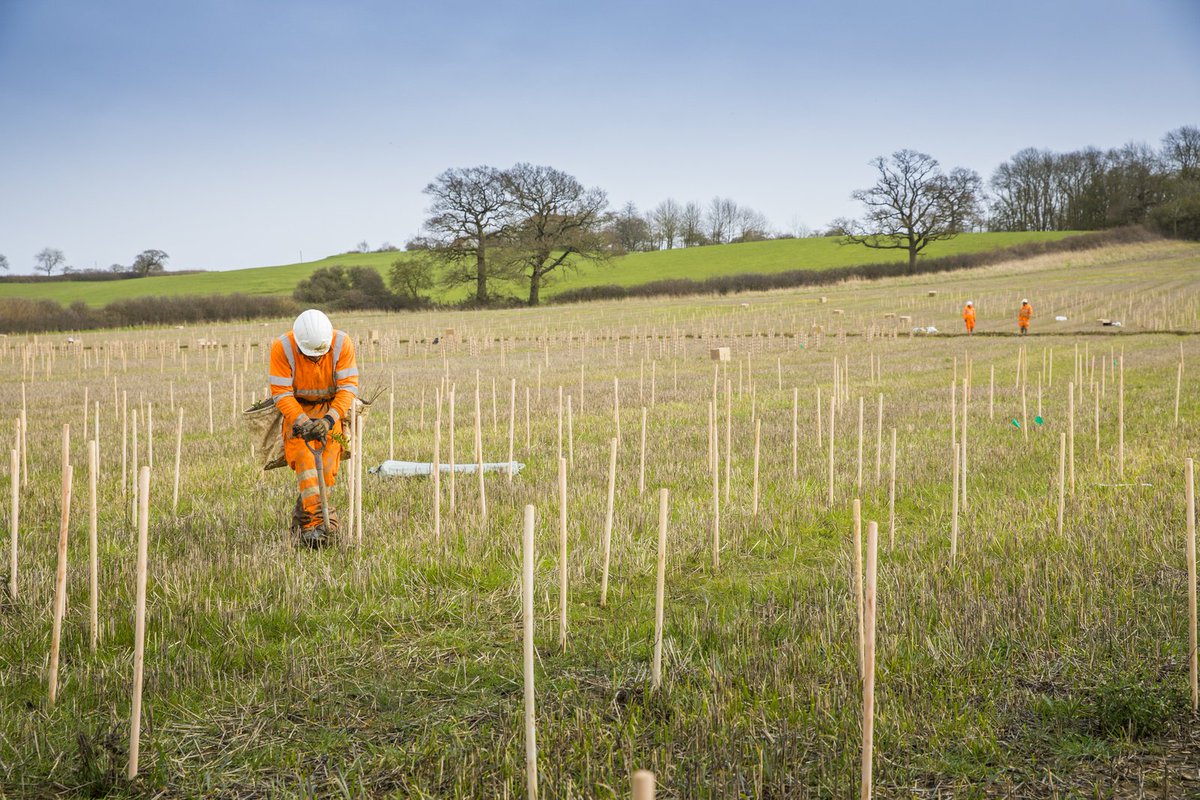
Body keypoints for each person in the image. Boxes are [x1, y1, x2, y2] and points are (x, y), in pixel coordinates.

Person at [269, 309, 359, 547]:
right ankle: (315, 526)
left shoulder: (341, 343)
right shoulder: (282, 347)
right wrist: (303, 422)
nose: (316, 358)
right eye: (311, 355)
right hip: (297, 411)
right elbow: (281, 393)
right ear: (299, 345)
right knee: (304, 461)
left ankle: (307, 522)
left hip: (331, 410)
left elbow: (348, 388)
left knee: (328, 466)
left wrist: (329, 420)